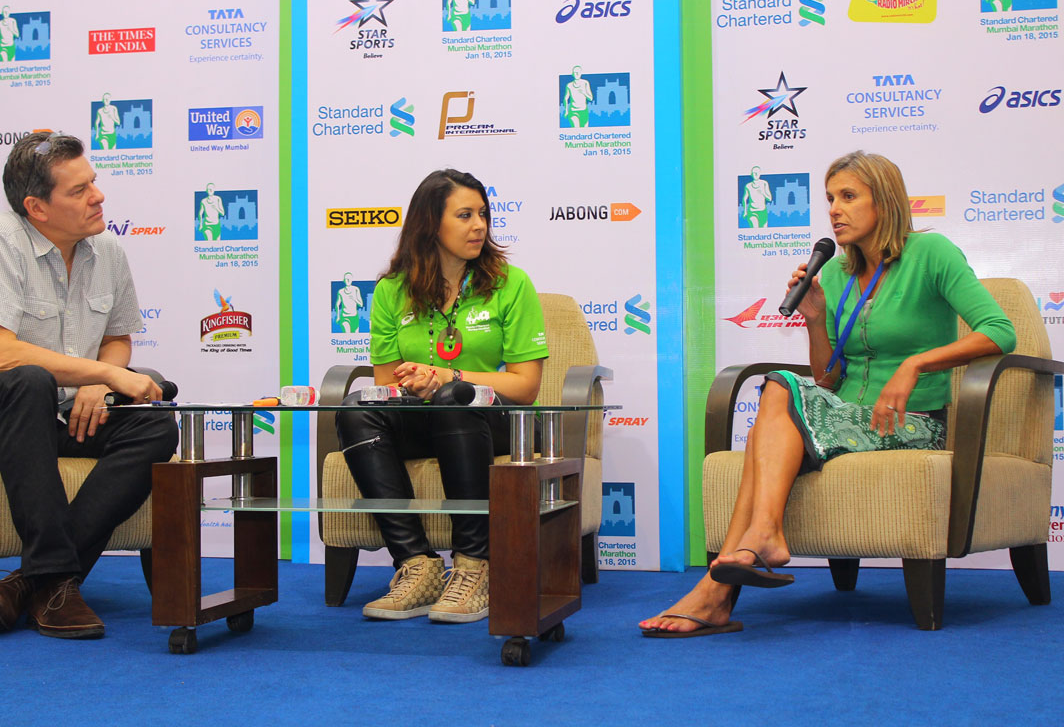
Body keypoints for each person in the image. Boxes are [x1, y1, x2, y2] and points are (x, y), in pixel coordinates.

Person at [640, 150, 1016, 637]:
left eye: (848, 197)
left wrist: (916, 363)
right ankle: (752, 549)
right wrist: (816, 318)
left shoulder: (931, 255)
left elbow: (999, 331)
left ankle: (719, 587)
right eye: (830, 199)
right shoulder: (836, 273)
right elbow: (827, 379)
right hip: (847, 416)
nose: (834, 210)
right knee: (780, 384)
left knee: (769, 415)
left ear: (884, 202)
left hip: (911, 422)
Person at [0, 132, 178, 639]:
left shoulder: (106, 248)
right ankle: (56, 582)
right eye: (79, 190)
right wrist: (103, 374)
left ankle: (34, 582)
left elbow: (116, 339)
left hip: (59, 414)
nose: (98, 196)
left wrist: (101, 382)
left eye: (94, 182)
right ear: (36, 207)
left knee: (152, 421)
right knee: (28, 382)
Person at [335, 169, 548, 623]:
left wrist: (448, 377)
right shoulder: (392, 290)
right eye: (465, 215)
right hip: (425, 421)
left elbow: (526, 388)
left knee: (456, 396)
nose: (480, 226)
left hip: (491, 423)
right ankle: (417, 565)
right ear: (431, 224)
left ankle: (474, 565)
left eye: (483, 215)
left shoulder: (511, 283)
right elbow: (386, 385)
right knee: (357, 407)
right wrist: (413, 381)